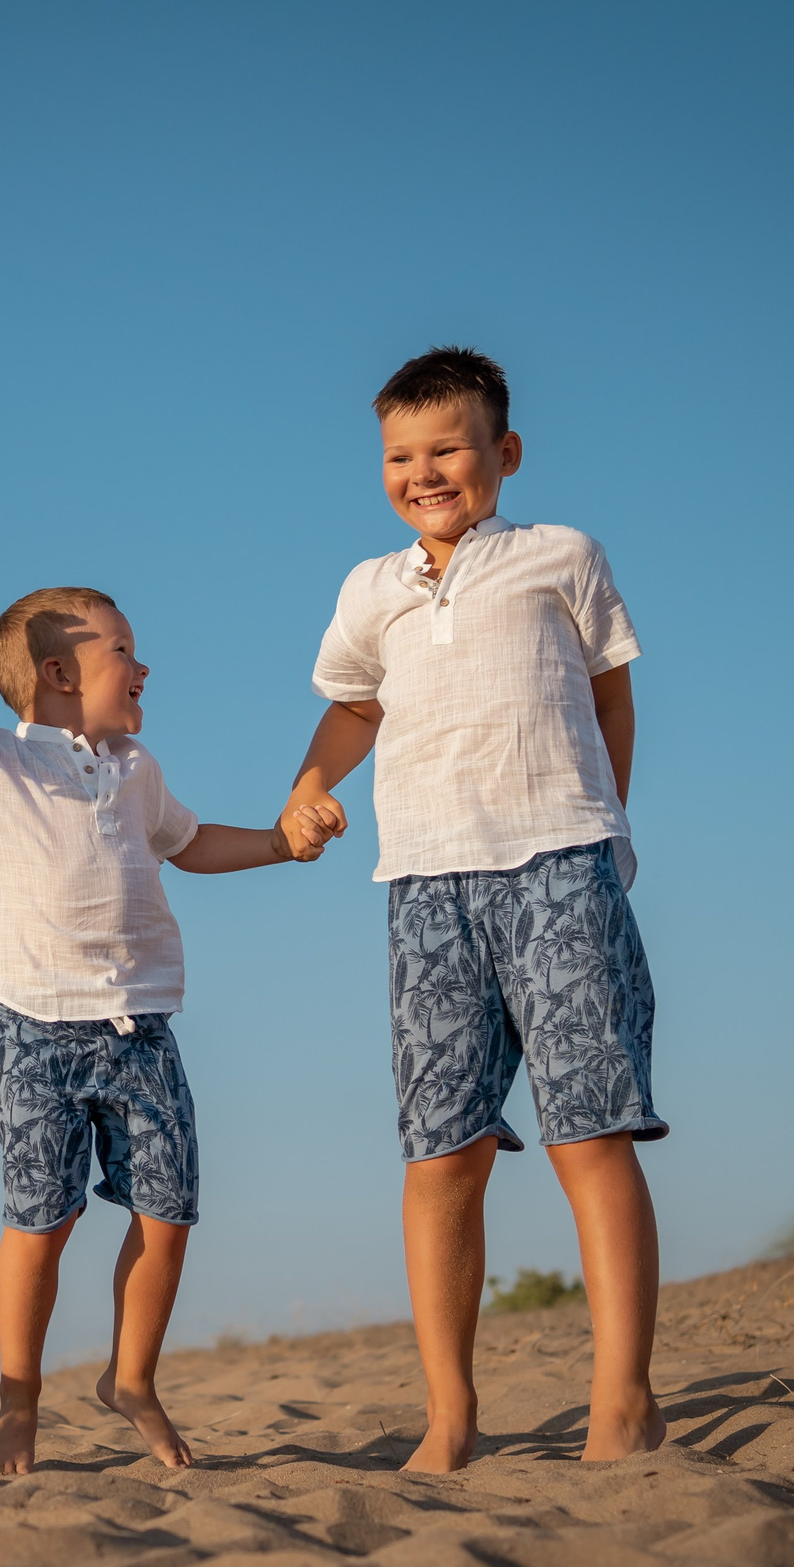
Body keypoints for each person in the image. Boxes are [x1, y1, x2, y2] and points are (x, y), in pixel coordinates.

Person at [282, 346, 670, 1471]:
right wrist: (307, 787)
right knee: (441, 1149)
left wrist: (600, 826)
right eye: (399, 456)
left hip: (557, 863)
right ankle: (450, 1414)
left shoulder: (560, 556)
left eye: (447, 448)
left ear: (505, 452)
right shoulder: (370, 588)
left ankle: (622, 1400)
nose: (423, 472)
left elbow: (611, 697)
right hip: (422, 883)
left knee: (588, 1131)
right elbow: (354, 709)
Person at [0, 564, 331, 1473]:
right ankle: (18, 1402)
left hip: (141, 1028)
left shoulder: (136, 771)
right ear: (58, 674)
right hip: (35, 1027)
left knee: (168, 1212)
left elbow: (190, 844)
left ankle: (132, 1379)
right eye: (123, 650)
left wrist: (282, 844)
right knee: (40, 1220)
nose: (143, 667)